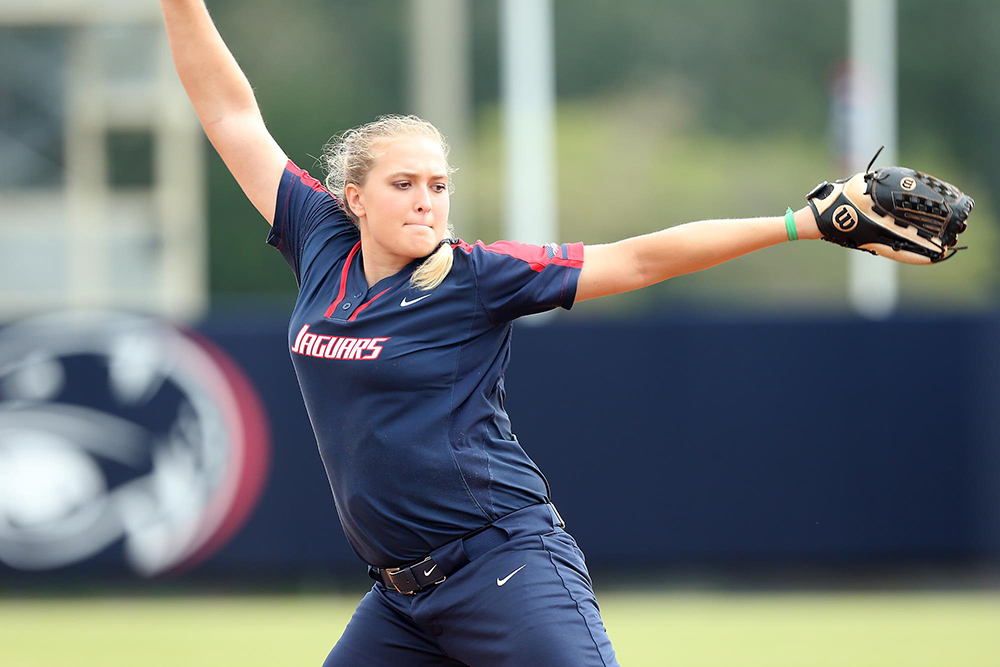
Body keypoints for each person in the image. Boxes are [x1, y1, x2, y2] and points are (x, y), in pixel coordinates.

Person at [160, 2, 823, 664]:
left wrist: (799, 224)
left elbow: (636, 260)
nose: (425, 199)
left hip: (503, 571)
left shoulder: (473, 276)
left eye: (438, 185)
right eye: (403, 183)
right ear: (355, 198)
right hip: (401, 603)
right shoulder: (320, 239)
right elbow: (229, 115)